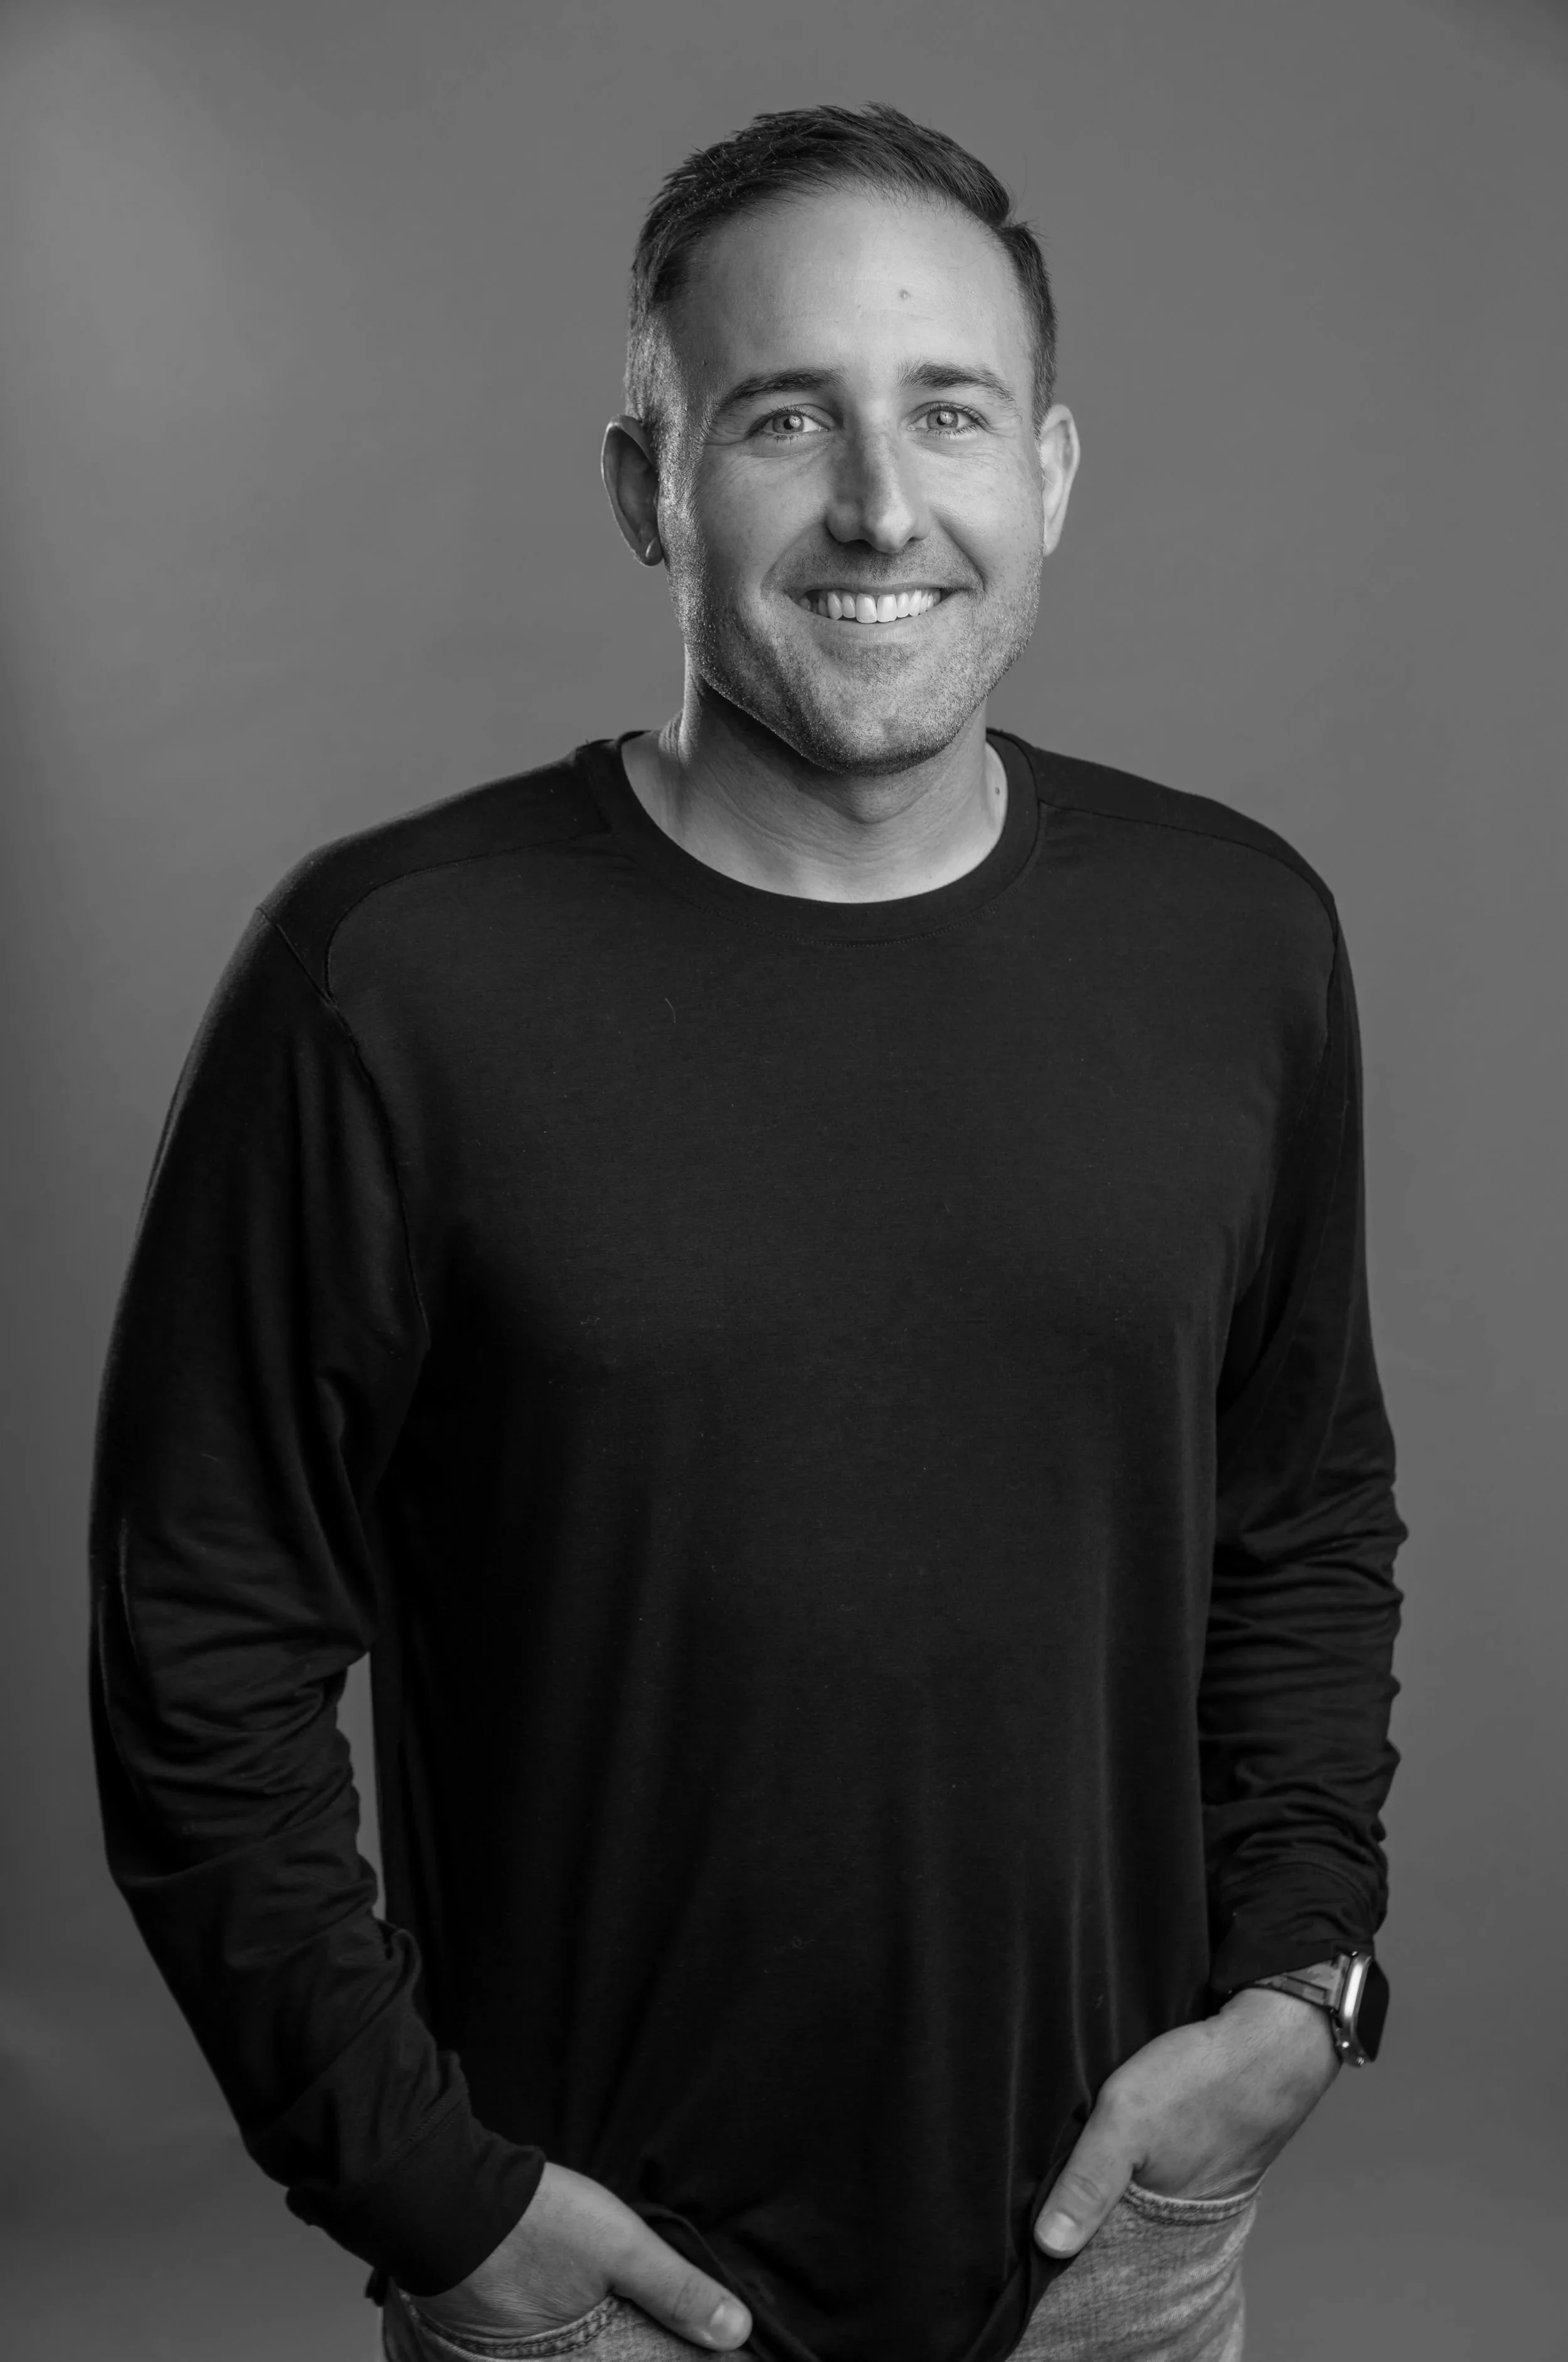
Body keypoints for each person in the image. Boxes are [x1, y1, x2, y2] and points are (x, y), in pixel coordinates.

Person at [89, 102, 1406, 2362]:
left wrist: (1303, 1981)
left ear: (1048, 474)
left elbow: (1297, 1509)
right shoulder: (392, 975)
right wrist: (427, 2189)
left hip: (1111, 2253)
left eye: (950, 414)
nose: (883, 506)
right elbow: (200, 1643)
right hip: (596, 2288)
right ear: (650, 484)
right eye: (787, 418)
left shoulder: (1237, 940)